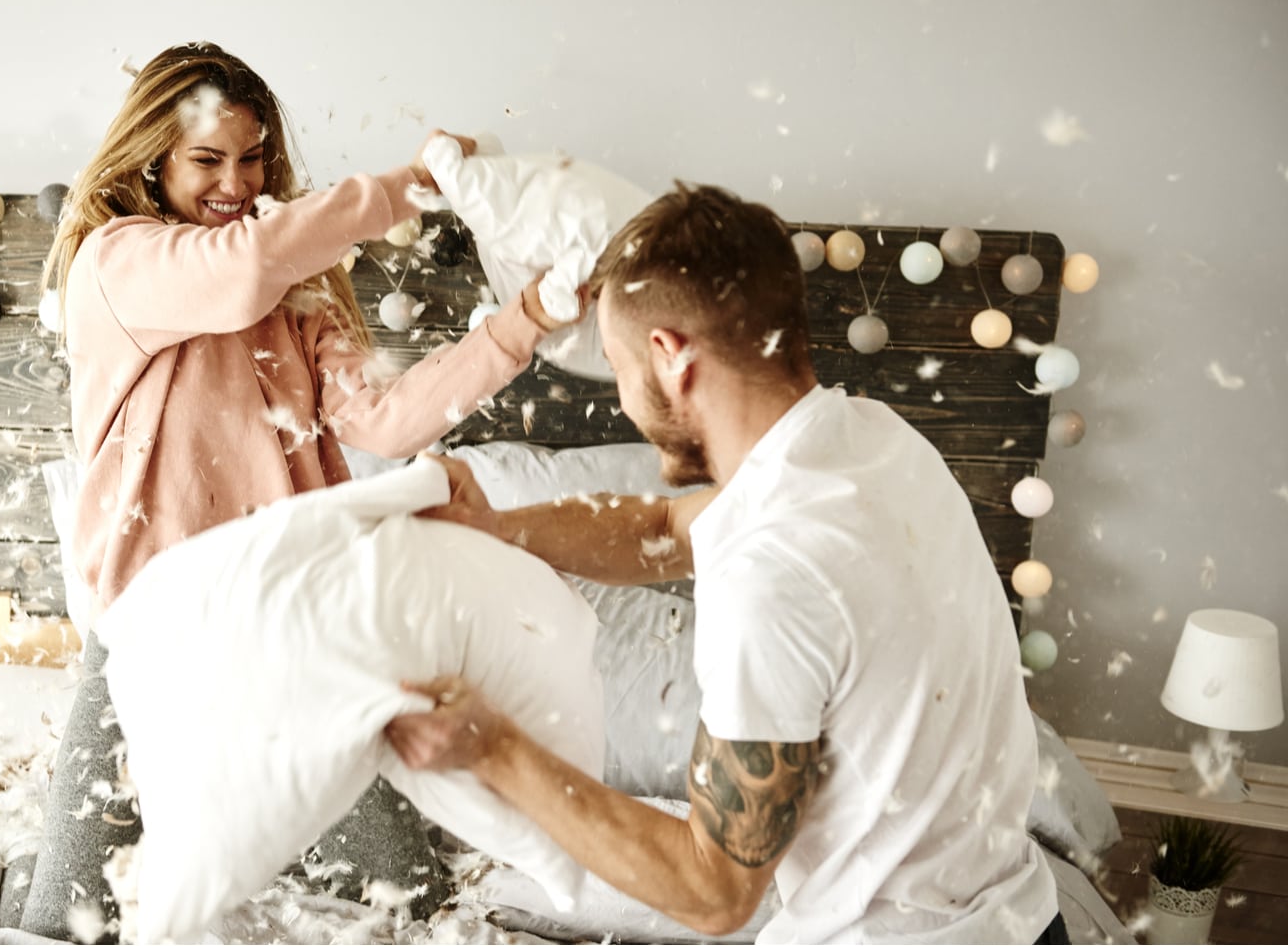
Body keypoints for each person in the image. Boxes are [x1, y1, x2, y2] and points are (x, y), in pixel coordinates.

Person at [386, 183, 1069, 944]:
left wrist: (493, 747)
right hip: (1022, 923)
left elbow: (714, 894)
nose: (622, 397)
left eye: (616, 367)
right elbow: (665, 528)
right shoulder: (874, 441)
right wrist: (494, 527)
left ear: (670, 355)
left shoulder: (770, 572)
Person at [20, 41, 569, 942]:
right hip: (151, 637)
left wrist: (524, 322)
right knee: (65, 920)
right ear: (153, 157)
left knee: (411, 908)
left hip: (290, 638)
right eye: (207, 159)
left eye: (253, 157)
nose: (235, 180)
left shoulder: (292, 297)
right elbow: (236, 270)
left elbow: (389, 421)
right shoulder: (117, 263)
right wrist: (406, 187)